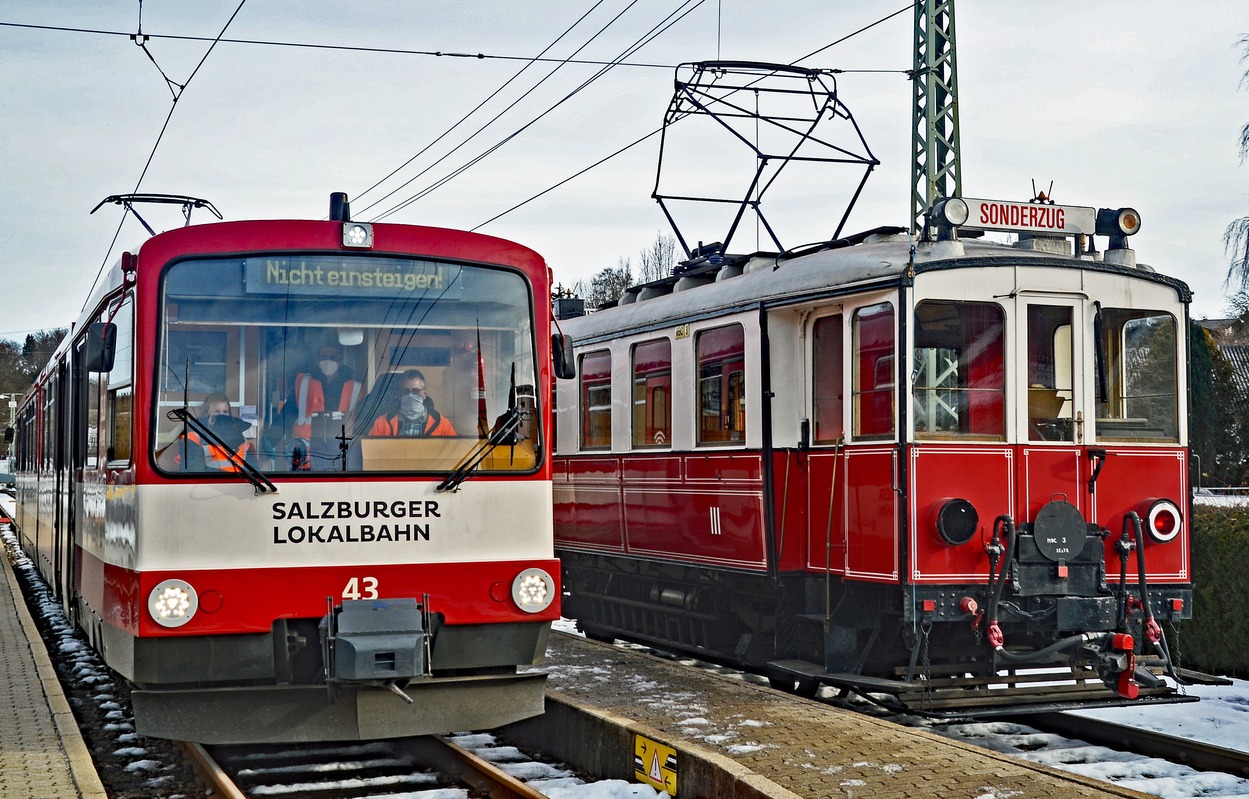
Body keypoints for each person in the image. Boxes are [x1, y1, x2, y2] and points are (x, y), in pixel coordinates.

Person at [282, 343, 365, 469]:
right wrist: (271, 436)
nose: (328, 361)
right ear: (317, 360)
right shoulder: (304, 383)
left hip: (343, 454)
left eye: (333, 357)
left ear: (340, 361)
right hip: (307, 456)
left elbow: (363, 420)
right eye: (324, 357)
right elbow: (287, 413)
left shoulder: (356, 388)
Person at [166, 393, 257, 471]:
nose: (221, 416)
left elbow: (255, 472)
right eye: (217, 412)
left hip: (243, 486)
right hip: (209, 485)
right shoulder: (193, 437)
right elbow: (194, 473)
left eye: (225, 412)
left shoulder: (244, 443)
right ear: (206, 414)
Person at [369, 370, 457, 437]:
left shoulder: (441, 423)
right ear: (399, 395)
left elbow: (454, 452)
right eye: (405, 391)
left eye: (415, 391)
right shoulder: (382, 423)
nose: (410, 395)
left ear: (424, 394)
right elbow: (370, 452)